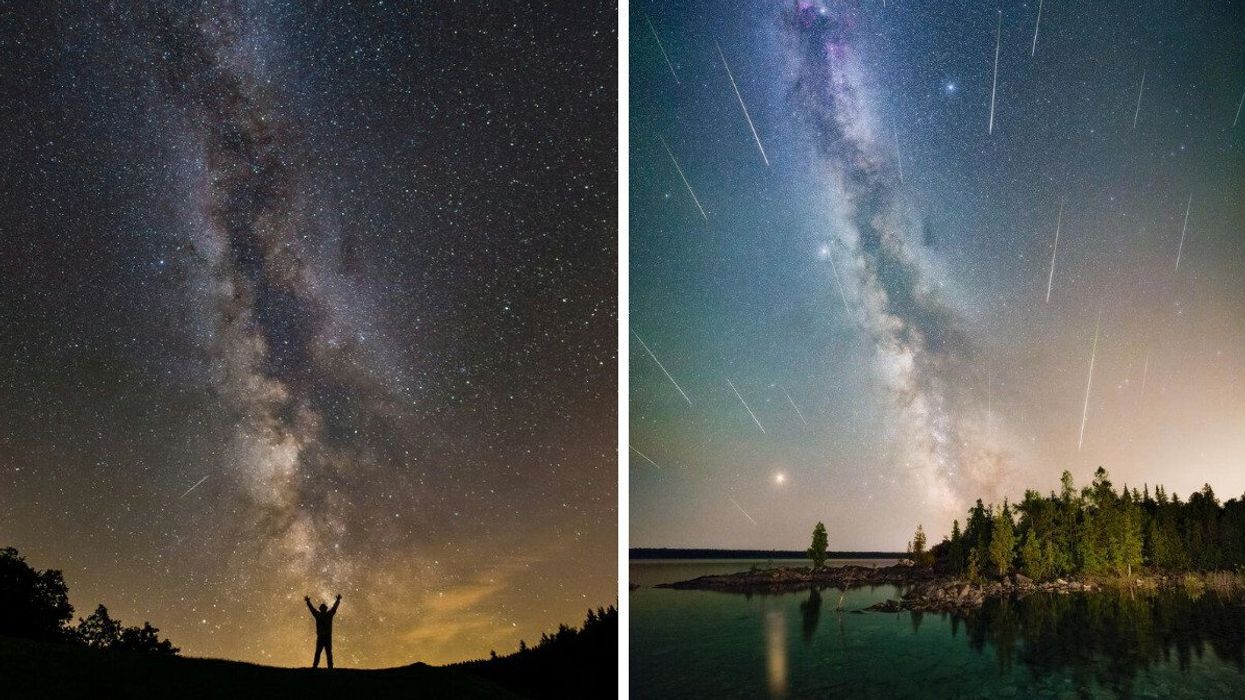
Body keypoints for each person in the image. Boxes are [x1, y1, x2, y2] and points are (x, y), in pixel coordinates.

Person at [304, 594, 341, 668]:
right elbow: (334, 608)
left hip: (323, 636)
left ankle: (316, 666)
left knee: (321, 653)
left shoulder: (319, 615)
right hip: (325, 636)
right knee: (326, 653)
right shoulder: (328, 615)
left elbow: (312, 609)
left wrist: (308, 601)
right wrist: (338, 600)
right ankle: (328, 667)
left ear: (320, 609)